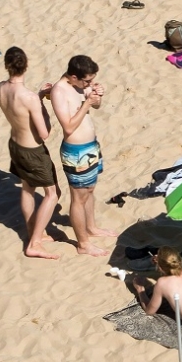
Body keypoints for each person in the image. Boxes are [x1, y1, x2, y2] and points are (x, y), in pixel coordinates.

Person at [0, 47, 61, 259]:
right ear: (26, 65)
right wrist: (41, 103)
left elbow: (20, 112)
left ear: (7, 65)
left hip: (15, 144)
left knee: (27, 189)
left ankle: (36, 231)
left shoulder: (1, 88)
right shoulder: (29, 97)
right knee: (52, 194)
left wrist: (38, 97)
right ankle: (34, 242)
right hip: (33, 150)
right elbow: (45, 133)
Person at [50, 55, 114, 257]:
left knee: (90, 190)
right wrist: (86, 103)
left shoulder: (80, 86)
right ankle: (83, 243)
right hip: (75, 152)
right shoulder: (59, 91)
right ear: (74, 76)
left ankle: (92, 227)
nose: (89, 84)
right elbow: (68, 126)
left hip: (91, 147)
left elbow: (96, 106)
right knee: (78, 197)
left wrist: (97, 96)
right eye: (86, 81)